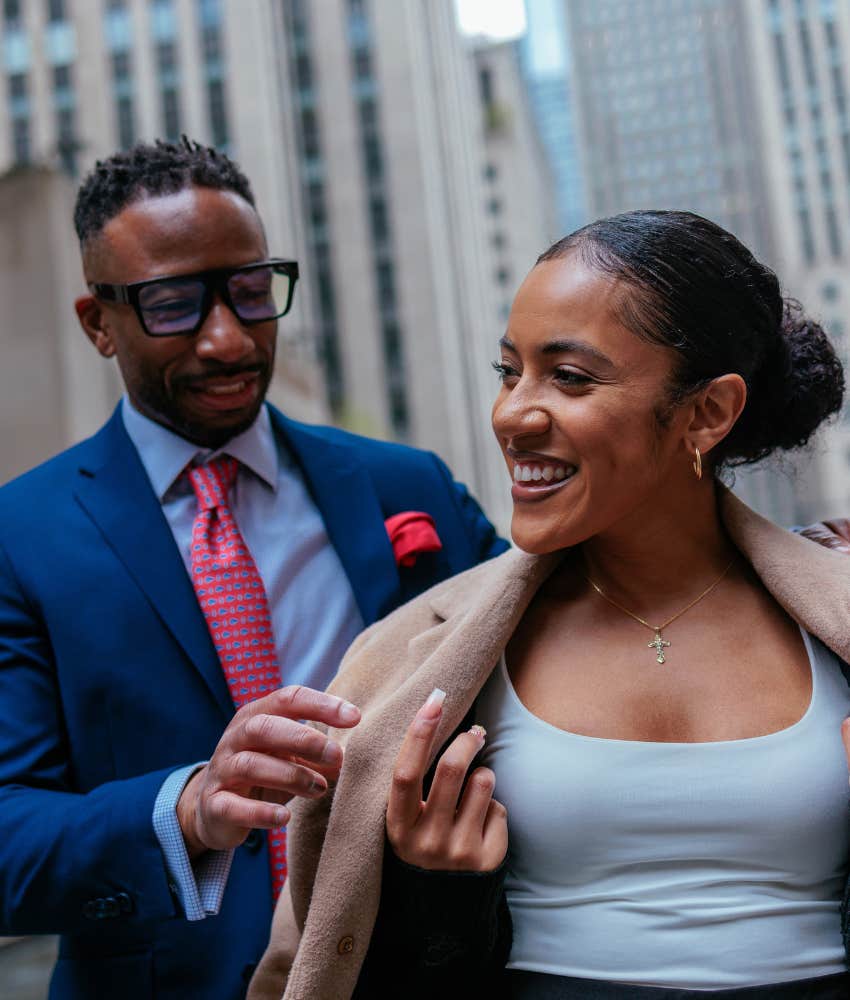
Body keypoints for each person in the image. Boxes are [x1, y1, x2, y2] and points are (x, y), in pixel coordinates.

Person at [248, 210, 850, 1000]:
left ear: (707, 412)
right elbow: (328, 958)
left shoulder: (833, 617)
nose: (512, 415)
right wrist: (439, 890)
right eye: (509, 372)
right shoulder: (411, 655)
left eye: (569, 377)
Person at [0, 137, 506, 999]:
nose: (227, 339)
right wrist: (190, 809)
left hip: (414, 970)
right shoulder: (20, 534)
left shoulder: (403, 486)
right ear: (97, 323)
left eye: (248, 292)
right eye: (173, 306)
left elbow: (555, 643)